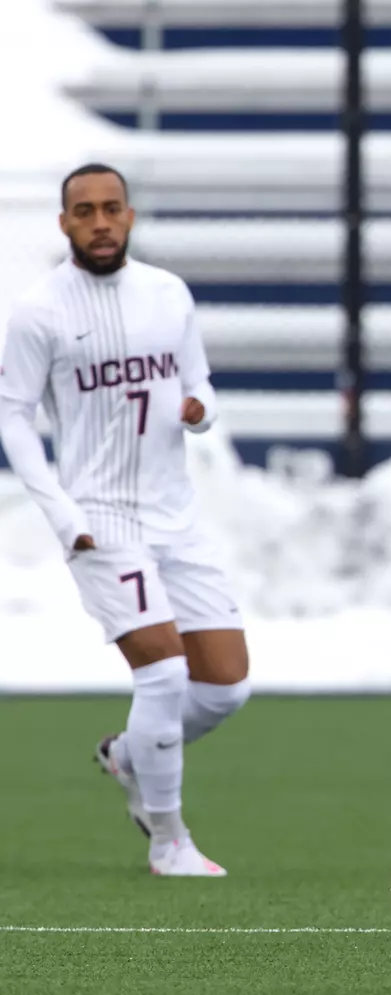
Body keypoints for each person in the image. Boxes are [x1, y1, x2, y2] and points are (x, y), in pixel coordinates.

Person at [0, 163, 251, 876]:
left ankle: (126, 755)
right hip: (99, 518)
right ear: (64, 223)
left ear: (131, 217)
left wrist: (201, 411)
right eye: (85, 211)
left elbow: (198, 381)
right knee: (165, 676)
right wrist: (58, 510)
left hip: (177, 517)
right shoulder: (40, 310)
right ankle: (169, 840)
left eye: (112, 208)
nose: (101, 221)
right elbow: (12, 417)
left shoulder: (167, 293)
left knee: (226, 687)